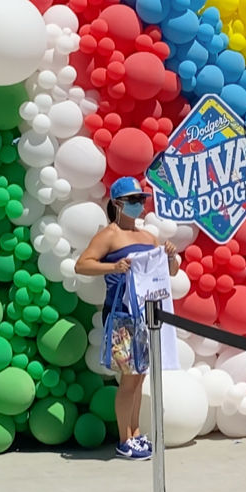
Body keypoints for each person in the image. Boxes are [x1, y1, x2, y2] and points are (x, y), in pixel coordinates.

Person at [76, 177, 179, 459]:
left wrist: (170, 257)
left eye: (141, 200)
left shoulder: (149, 236)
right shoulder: (109, 234)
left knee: (140, 376)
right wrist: (114, 266)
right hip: (123, 314)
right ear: (118, 203)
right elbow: (82, 264)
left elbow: (170, 273)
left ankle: (134, 433)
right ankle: (124, 438)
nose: (139, 205)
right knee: (129, 378)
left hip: (148, 314)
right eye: (133, 200)